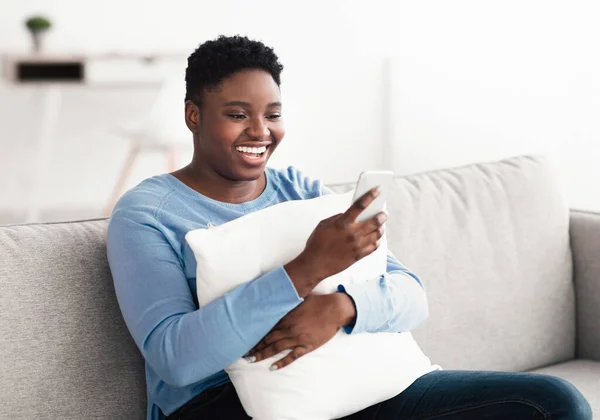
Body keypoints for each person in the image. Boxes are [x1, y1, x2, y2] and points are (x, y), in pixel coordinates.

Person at [106, 35, 592, 420]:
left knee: (552, 403)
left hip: (351, 382)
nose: (260, 132)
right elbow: (175, 357)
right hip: (219, 404)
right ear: (194, 115)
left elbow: (410, 295)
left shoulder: (301, 190)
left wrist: (342, 307)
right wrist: (304, 271)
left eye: (272, 115)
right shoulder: (147, 214)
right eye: (237, 115)